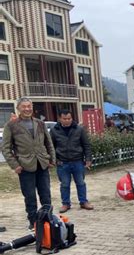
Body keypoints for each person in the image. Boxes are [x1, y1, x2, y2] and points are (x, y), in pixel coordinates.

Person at [2, 97, 55, 230]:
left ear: (32, 107)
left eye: (29, 106)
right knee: (30, 196)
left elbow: (49, 143)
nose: (27, 109)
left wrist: (51, 159)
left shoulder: (40, 123)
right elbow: (5, 148)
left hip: (42, 163)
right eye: (24, 106)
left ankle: (48, 217)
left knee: (46, 194)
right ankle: (34, 221)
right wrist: (15, 165)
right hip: (25, 166)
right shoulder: (11, 125)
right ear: (18, 108)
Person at [50, 110, 94, 213]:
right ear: (60, 118)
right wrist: (54, 160)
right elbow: (50, 146)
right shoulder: (54, 130)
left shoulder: (79, 129)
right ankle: (65, 204)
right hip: (62, 163)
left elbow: (86, 145)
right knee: (64, 184)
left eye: (69, 118)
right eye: (64, 119)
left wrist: (88, 159)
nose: (67, 121)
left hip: (77, 161)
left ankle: (83, 202)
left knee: (81, 183)